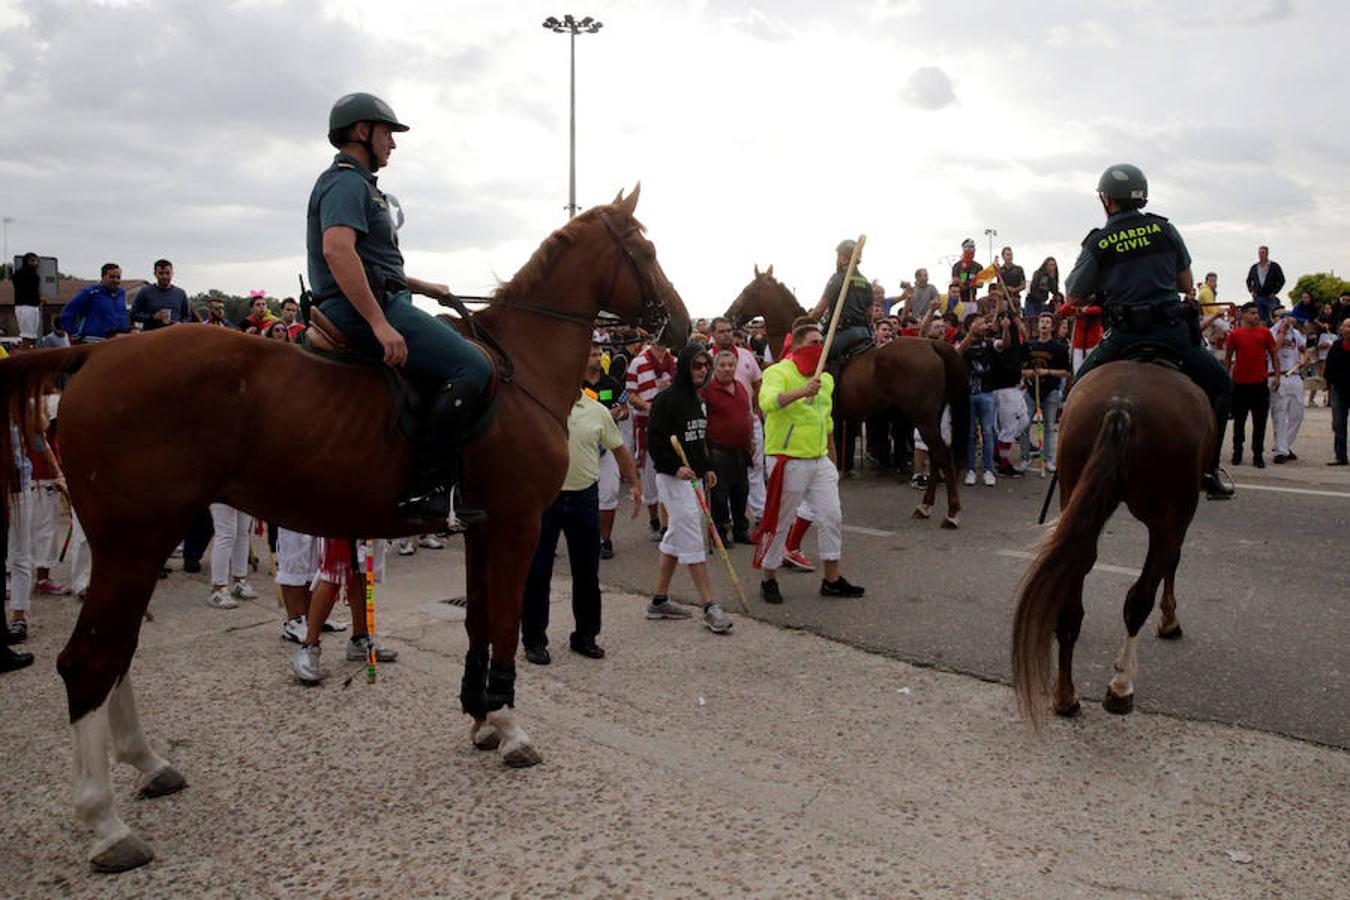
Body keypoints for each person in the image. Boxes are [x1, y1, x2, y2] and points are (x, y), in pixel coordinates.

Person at [308, 92, 492, 523]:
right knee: (474, 368)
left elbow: (372, 265)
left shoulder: (362, 186)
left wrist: (425, 287)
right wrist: (378, 323)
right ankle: (426, 491)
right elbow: (338, 251)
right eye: (388, 133)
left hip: (386, 298)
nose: (393, 143)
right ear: (361, 132)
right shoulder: (346, 182)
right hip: (366, 309)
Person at [1063, 163, 1235, 497]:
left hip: (1123, 336)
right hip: (1169, 332)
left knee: (1077, 393)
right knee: (1221, 386)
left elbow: (1073, 295)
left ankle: (1071, 466)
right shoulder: (1164, 230)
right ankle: (1209, 471)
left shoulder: (1099, 242)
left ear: (1107, 200)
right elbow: (1186, 283)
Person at [522, 381, 642, 664]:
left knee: (587, 572)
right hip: (546, 499)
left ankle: (585, 636)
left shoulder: (596, 410)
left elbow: (619, 449)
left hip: (584, 499)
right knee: (538, 573)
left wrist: (635, 484)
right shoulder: (539, 406)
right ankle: (534, 640)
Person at [753, 322, 864, 604]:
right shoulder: (778, 371)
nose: (821, 348)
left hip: (819, 460)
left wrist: (832, 453)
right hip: (786, 459)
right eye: (816, 342)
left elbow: (826, 418)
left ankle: (832, 579)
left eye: (823, 342)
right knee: (780, 521)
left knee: (832, 517)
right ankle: (768, 577)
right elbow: (767, 403)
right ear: (800, 345)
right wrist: (803, 391)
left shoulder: (825, 379)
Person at [644, 344, 734, 634]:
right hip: (672, 479)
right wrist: (674, 467)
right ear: (684, 366)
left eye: (705, 365)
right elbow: (655, 442)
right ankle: (709, 606)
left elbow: (697, 440)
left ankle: (659, 600)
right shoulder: (665, 400)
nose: (703, 370)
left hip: (692, 477)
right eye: (697, 365)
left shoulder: (698, 400)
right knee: (692, 535)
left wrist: (707, 467)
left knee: (676, 536)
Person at [708, 316, 765, 526]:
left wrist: (758, 410)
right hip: (720, 431)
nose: (727, 334)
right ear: (713, 334)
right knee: (723, 479)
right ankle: (726, 520)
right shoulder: (705, 358)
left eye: (729, 330)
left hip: (748, 422)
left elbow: (758, 383)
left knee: (756, 468)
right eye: (722, 331)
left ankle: (760, 513)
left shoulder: (746, 355)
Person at [581, 337, 629, 559]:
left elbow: (626, 409)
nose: (598, 358)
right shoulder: (573, 383)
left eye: (600, 354)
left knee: (609, 493)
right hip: (580, 447)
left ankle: (604, 540)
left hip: (607, 447)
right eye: (593, 355)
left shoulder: (612, 383)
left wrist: (620, 412)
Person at [701, 349, 754, 545]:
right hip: (718, 451)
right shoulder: (707, 390)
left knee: (741, 493)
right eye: (722, 365)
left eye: (731, 365)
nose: (727, 369)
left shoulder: (740, 386)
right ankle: (720, 535)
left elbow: (747, 414)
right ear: (714, 368)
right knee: (719, 497)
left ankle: (741, 531)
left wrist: (752, 440)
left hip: (741, 450)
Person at [625, 336, 677, 535]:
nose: (662, 341)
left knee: (667, 469)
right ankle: (654, 517)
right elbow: (630, 395)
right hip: (646, 423)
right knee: (649, 472)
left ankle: (666, 524)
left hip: (669, 425)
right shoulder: (638, 362)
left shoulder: (674, 363)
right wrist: (651, 408)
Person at [1224, 302, 1279, 469]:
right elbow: (1228, 358)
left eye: (1257, 313)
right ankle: (1237, 452)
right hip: (1240, 384)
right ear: (1244, 315)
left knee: (1260, 423)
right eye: (1252, 313)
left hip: (1259, 384)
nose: (1256, 316)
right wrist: (1226, 380)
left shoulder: (1265, 333)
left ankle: (1257, 455)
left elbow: (1274, 354)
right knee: (1239, 422)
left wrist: (1277, 376)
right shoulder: (1234, 334)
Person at [808, 239, 874, 364]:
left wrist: (805, 323)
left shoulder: (837, 278)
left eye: (839, 256)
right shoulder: (866, 282)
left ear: (843, 258)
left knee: (812, 355)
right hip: (865, 332)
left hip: (845, 332)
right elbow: (870, 314)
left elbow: (820, 309)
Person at [1020, 312, 1071, 471]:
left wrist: (1047, 372)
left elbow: (1066, 372)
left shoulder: (1059, 348)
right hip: (1030, 390)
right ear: (1038, 325)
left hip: (1050, 391)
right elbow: (1020, 366)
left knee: (1049, 426)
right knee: (1024, 424)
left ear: (1052, 327)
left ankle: (1049, 460)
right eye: (1042, 321)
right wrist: (1025, 372)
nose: (1044, 324)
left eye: (1047, 322)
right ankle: (1025, 457)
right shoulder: (1029, 345)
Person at [959, 315, 999, 486]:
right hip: (968, 394)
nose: (984, 326)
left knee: (988, 432)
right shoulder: (963, 342)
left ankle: (988, 469)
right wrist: (970, 334)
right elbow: (957, 352)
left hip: (987, 392)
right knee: (969, 434)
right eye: (980, 323)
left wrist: (1004, 328)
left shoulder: (989, 343)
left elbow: (1003, 344)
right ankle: (970, 469)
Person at [1268, 313, 1307, 464]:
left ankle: (1284, 445)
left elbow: (1303, 350)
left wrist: (1303, 359)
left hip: (1295, 375)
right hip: (1278, 376)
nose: (1286, 320)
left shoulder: (1296, 334)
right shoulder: (1271, 332)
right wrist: (1282, 331)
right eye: (1282, 317)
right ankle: (1281, 450)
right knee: (1279, 414)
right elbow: (1274, 348)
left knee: (1297, 414)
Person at [59, 263, 130, 342]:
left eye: (118, 277)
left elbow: (123, 315)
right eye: (112, 277)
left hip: (118, 340)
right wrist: (74, 334)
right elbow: (67, 312)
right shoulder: (90, 292)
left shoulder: (121, 293)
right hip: (95, 340)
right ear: (103, 277)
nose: (116, 280)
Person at [130, 259, 191, 330]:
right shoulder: (145, 291)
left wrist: (181, 323)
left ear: (172, 274)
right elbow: (133, 315)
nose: (164, 276)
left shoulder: (180, 293)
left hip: (174, 335)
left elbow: (187, 316)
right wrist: (152, 317)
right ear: (155, 274)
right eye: (161, 273)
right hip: (152, 336)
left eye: (167, 273)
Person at [1324, 318, 1350, 465]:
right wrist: (1330, 386)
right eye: (1346, 326)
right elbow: (1329, 368)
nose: (1348, 329)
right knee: (1338, 424)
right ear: (1341, 329)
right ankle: (1341, 456)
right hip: (1339, 390)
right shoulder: (1336, 346)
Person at [1245, 246, 1286, 326]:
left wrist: (1275, 291)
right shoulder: (1254, 267)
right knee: (1258, 318)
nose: (1261, 255)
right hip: (1258, 297)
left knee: (1272, 317)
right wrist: (1251, 291)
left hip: (1270, 297)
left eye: (1263, 253)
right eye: (1260, 253)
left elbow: (1282, 280)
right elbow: (1248, 280)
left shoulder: (1274, 266)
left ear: (1267, 253)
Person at [10, 252, 42, 341]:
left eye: (36, 261)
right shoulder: (20, 274)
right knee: (26, 337)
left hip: (34, 306)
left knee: (32, 337)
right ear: (26, 262)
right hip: (24, 307)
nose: (35, 263)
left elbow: (33, 292)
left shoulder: (35, 276)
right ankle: (25, 353)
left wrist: (39, 299)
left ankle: (30, 352)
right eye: (32, 261)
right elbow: (23, 291)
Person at [951, 239, 983, 308]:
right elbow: (956, 281)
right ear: (964, 250)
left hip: (972, 299)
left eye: (972, 248)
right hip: (958, 299)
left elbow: (980, 284)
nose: (970, 251)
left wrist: (965, 282)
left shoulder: (977, 266)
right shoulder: (957, 266)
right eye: (968, 248)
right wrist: (971, 282)